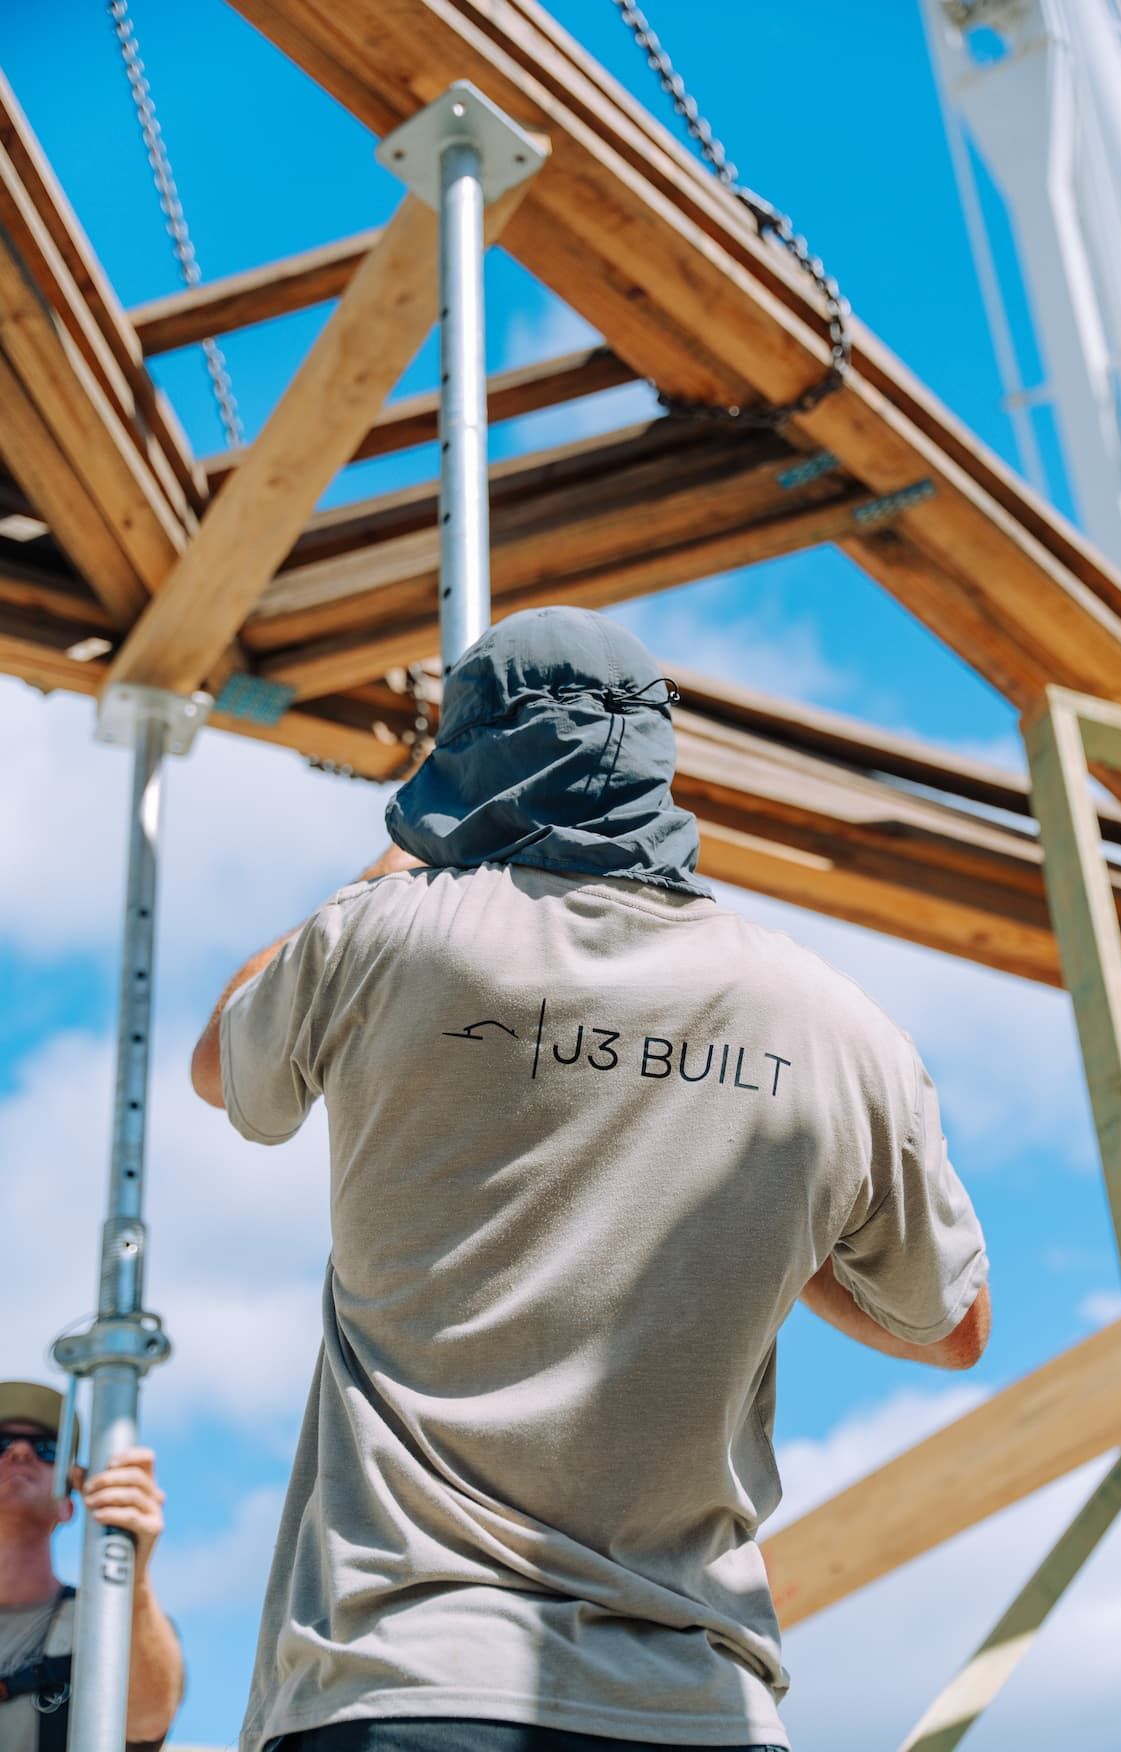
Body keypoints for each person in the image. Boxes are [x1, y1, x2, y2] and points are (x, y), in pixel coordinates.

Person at [191, 606, 990, 1752]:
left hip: (413, 1676)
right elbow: (951, 1326)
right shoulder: (833, 1023)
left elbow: (223, 1067)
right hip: (696, 1705)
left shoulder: (385, 934)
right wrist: (780, 1218)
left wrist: (399, 861)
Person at [0, 1379, 184, 1750]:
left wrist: (131, 1568)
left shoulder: (109, 1622)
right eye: (0, 1443)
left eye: (47, 1449)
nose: (20, 1451)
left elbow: (148, 1723)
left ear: (69, 1504)